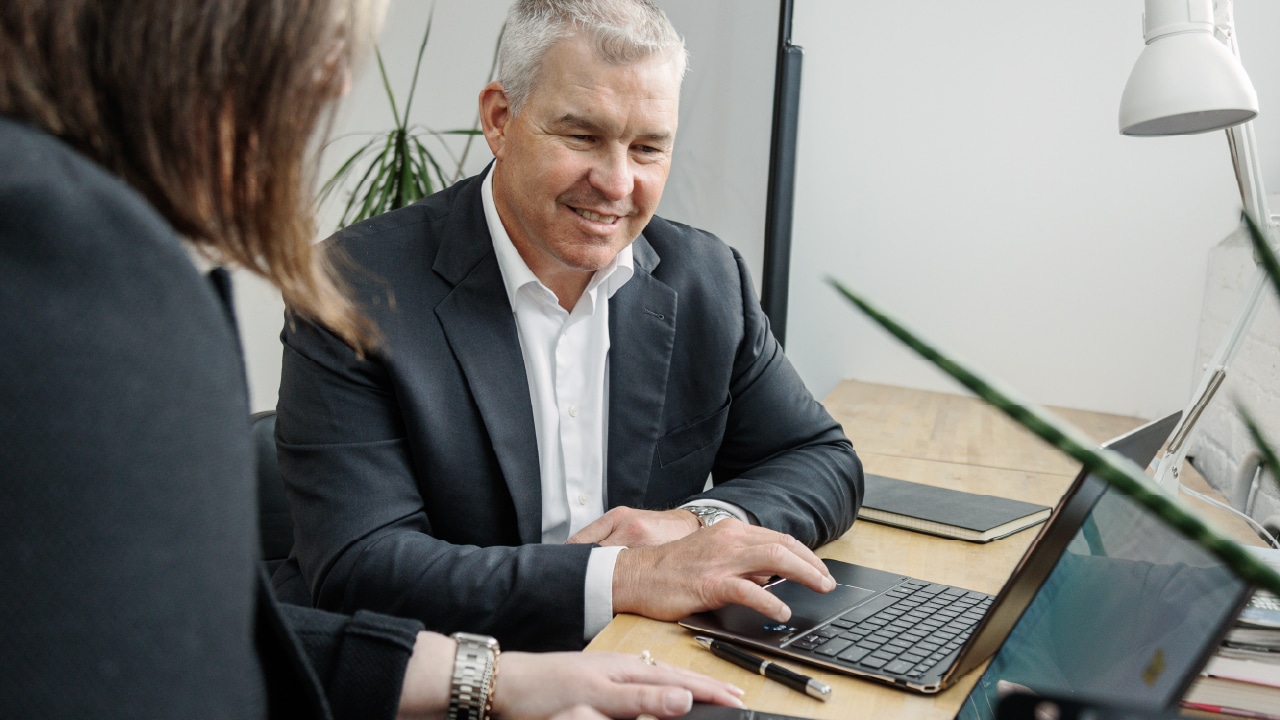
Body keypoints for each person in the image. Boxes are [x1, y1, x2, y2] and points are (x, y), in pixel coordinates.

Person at [0, 1, 745, 717]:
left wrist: (494, 677)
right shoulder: (66, 261)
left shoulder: (706, 275)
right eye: (318, 55)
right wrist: (610, 585)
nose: (332, 89)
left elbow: (201, 625)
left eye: (648, 147)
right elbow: (174, 655)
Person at [273, 0, 864, 653]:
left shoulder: (706, 279)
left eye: (648, 148)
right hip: (461, 673)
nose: (617, 183)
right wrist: (626, 577)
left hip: (646, 660)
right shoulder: (352, 287)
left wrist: (694, 523)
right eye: (582, 137)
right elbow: (361, 566)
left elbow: (822, 459)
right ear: (500, 120)